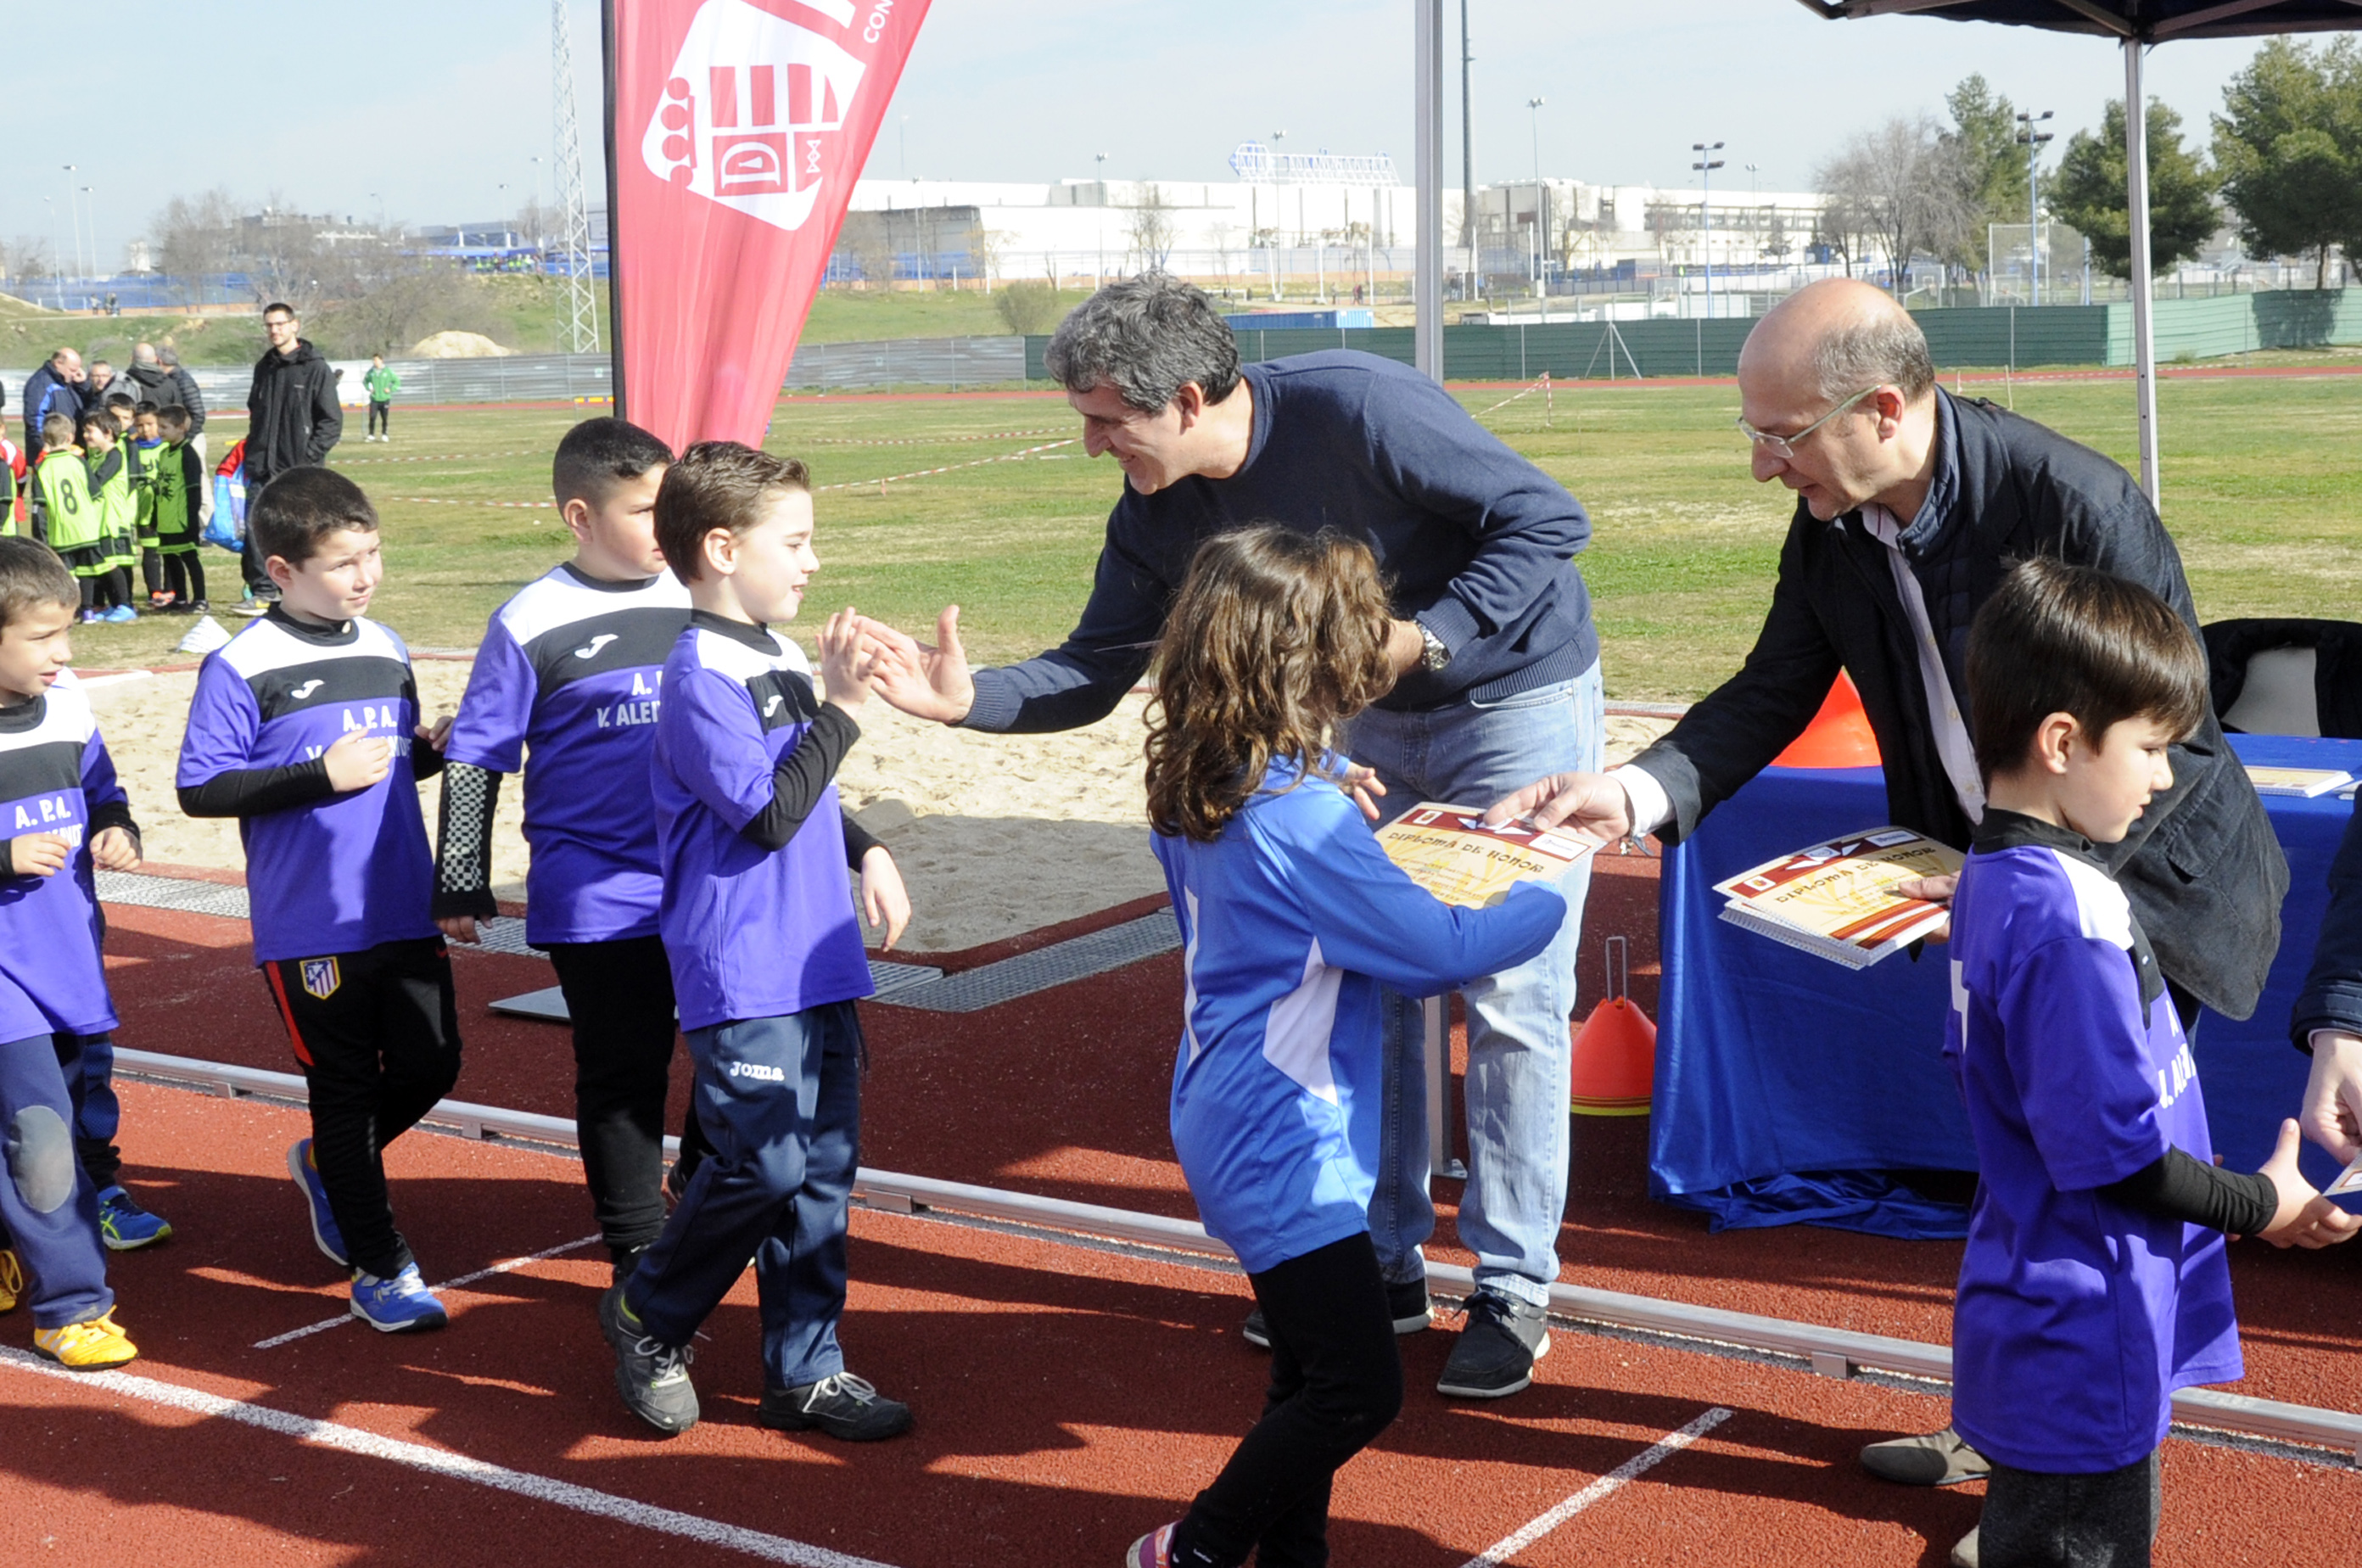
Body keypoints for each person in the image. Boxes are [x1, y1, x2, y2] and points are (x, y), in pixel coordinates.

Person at [1485, 278, 2289, 1483]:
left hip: (2123, 901)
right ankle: (2012, 1434)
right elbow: (1772, 689)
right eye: (1753, 432)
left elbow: (2163, 740)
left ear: (1880, 407)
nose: (1763, 465)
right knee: (2018, 1189)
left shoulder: (2073, 505)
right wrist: (1636, 792)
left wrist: (2026, 899)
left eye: (1781, 432)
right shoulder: (1830, 526)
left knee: (2095, 1199)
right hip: (2002, 895)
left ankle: (2070, 1485)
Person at [859, 273, 1604, 1401]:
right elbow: (1098, 666)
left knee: (1512, 996)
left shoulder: (1359, 408)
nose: (1095, 445)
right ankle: (1378, 1265)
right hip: (1353, 726)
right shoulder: (1153, 511)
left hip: (1511, 695)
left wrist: (1427, 640)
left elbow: (1550, 519)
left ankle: (1510, 1285)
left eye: (1110, 421)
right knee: (1375, 976)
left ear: (1192, 396)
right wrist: (966, 701)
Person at [1124, 527, 1569, 1568]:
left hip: (1235, 1103)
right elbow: (1433, 950)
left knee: (1309, 1373)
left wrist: (1324, 780)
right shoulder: (1300, 818)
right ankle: (1195, 1548)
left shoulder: (1218, 775)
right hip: (1286, 1130)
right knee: (1359, 1389)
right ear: (1312, 663)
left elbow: (1296, 887)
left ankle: (1293, 1555)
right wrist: (1550, 882)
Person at [1941, 557, 2355, 1568]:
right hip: (2085, 1327)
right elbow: (2115, 1158)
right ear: (2062, 742)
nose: (2168, 777)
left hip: (2048, 1303)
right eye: (2153, 747)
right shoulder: (2067, 919)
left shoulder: (1997, 878)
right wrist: (2264, 1205)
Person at [602, 440, 914, 1443]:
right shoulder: (698, 673)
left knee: (823, 1171)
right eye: (798, 541)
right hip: (745, 960)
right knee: (763, 1167)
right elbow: (768, 813)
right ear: (724, 549)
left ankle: (805, 1371)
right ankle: (649, 1312)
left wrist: (867, 848)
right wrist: (846, 710)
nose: (813, 561)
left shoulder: (776, 657)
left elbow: (809, 793)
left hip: (817, 949)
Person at [174, 468, 460, 1334]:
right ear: (281, 569)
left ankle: (329, 1166)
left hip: (401, 904)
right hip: (311, 924)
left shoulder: (387, 644)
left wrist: (427, 752)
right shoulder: (242, 665)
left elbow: (389, 766)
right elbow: (200, 788)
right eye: (342, 563)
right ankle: (382, 1270)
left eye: (371, 554)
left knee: (432, 1065)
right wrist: (314, 776)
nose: (364, 576)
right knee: (342, 1088)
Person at [435, 417, 712, 1286]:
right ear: (580, 517)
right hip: (593, 888)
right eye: (644, 512)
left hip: (705, 882)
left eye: (672, 509)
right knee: (624, 1072)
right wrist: (460, 879)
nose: (665, 531)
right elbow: (478, 751)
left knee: (738, 1050)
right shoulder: (531, 619)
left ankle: (699, 1188)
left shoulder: (702, 593)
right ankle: (634, 1251)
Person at [0, 535, 144, 1368]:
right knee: (41, 1134)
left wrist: (119, 828)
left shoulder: (66, 707)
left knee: (44, 1112)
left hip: (67, 959)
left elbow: (104, 791)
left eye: (69, 633)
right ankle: (72, 1306)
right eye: (44, 638)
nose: (65, 654)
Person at [238, 303, 344, 614]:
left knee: (301, 533)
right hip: (262, 467)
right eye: (269, 325)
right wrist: (253, 454)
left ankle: (304, 590)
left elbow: (331, 422)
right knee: (256, 528)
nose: (274, 330)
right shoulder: (264, 367)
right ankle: (262, 591)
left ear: (294, 326)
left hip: (298, 471)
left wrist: (307, 459)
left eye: (280, 324)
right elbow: (255, 416)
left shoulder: (314, 368)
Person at [76, 408, 137, 622]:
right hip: (97, 520)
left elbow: (96, 481)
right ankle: (114, 604)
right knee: (102, 564)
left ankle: (126, 605)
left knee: (111, 563)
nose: (85, 436)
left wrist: (79, 464)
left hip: (111, 519)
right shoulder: (96, 456)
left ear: (108, 433)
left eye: (90, 431)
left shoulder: (114, 456)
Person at [148, 406, 206, 613]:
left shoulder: (188, 455)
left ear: (181, 428)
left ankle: (200, 599)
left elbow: (194, 490)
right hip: (167, 518)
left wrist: (192, 520)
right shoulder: (164, 454)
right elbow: (160, 487)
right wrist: (155, 514)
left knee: (190, 559)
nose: (160, 431)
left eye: (165, 427)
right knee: (171, 559)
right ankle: (180, 598)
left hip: (182, 519)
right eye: (159, 426)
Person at [23, 348, 84, 471]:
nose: (75, 374)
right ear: (58, 363)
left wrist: (83, 384)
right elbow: (35, 419)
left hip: (67, 449)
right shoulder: (41, 384)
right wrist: (46, 449)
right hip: (51, 453)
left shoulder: (68, 382)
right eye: (72, 370)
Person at [362, 356, 399, 442]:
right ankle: (371, 435)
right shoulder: (371, 372)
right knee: (372, 417)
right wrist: (370, 388)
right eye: (374, 360)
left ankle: (384, 434)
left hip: (385, 398)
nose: (375, 362)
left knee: (384, 418)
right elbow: (365, 382)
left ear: (381, 361)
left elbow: (397, 382)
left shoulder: (388, 371)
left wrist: (390, 389)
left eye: (377, 360)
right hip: (374, 399)